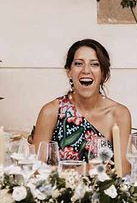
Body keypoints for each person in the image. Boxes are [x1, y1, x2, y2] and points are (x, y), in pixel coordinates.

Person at [33, 39, 131, 173]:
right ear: (69, 71)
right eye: (78, 64)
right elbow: (37, 171)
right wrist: (84, 169)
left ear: (103, 73)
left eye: (95, 64)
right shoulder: (51, 112)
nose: (86, 70)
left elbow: (124, 172)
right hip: (59, 192)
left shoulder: (119, 114)